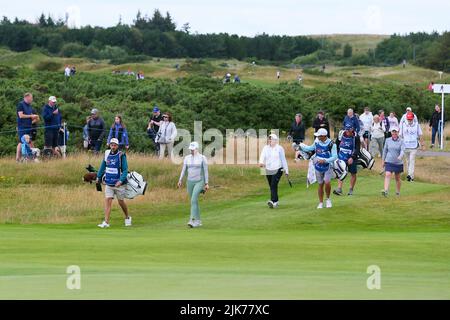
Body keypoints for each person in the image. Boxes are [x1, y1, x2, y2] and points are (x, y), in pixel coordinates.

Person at [96, 138, 131, 228]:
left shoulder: (121, 155)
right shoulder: (107, 153)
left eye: (115, 145)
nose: (113, 146)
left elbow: (125, 170)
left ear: (117, 146)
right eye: (112, 145)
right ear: (110, 145)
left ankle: (127, 217)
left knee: (121, 202)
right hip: (109, 183)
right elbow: (102, 166)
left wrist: (121, 180)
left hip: (119, 184)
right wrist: (98, 177)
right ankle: (106, 222)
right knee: (108, 201)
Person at [300, 128, 337, 209]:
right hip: (317, 165)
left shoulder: (332, 144)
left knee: (327, 182)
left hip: (328, 165)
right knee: (320, 184)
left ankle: (328, 199)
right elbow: (310, 148)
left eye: (319, 136)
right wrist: (301, 146)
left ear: (324, 136)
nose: (317, 137)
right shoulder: (317, 141)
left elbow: (335, 156)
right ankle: (320, 202)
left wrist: (325, 160)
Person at [177, 141, 209, 228]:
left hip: (199, 181)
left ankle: (192, 220)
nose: (191, 151)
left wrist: (206, 183)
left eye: (193, 149)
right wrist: (180, 180)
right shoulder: (187, 158)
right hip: (189, 182)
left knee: (193, 200)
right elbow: (184, 170)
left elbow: (206, 171)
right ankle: (198, 221)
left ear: (197, 149)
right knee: (194, 201)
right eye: (190, 149)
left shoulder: (202, 158)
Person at [259, 134, 289, 208]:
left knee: (273, 184)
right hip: (268, 169)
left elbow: (283, 159)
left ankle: (272, 201)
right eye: (269, 139)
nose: (270, 140)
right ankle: (276, 201)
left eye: (272, 139)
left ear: (275, 140)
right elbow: (262, 156)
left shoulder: (279, 148)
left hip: (278, 169)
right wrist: (261, 162)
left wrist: (286, 170)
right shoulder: (265, 148)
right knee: (271, 185)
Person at [333, 123, 360, 196]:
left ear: (352, 129)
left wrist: (352, 157)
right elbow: (336, 144)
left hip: (352, 157)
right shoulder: (341, 134)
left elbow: (357, 149)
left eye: (349, 130)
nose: (347, 131)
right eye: (346, 130)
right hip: (341, 156)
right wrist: (337, 154)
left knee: (353, 173)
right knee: (340, 171)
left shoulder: (356, 137)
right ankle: (339, 189)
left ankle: (351, 189)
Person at [400, 112, 424, 182]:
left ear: (413, 118)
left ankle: (410, 175)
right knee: (407, 161)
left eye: (410, 119)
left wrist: (423, 145)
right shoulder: (403, 125)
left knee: (412, 160)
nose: (409, 121)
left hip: (414, 146)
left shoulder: (417, 125)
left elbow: (420, 135)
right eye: (408, 119)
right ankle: (410, 176)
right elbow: (400, 135)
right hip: (405, 146)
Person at [381, 127, 405, 197]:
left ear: (398, 132)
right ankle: (385, 191)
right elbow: (385, 151)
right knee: (388, 174)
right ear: (391, 132)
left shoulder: (401, 141)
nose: (394, 133)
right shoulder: (387, 140)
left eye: (395, 132)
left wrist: (400, 156)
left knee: (397, 177)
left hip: (398, 162)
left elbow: (402, 150)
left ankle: (397, 192)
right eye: (393, 132)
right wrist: (383, 161)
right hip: (389, 161)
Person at [16, 93, 39, 162]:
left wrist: (34, 116)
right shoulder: (21, 104)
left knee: (29, 142)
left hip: (29, 127)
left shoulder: (29, 106)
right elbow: (21, 115)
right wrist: (31, 116)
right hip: (22, 127)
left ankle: (30, 157)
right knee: (22, 142)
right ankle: (18, 158)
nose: (32, 99)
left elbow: (30, 116)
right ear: (27, 97)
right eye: (31, 98)